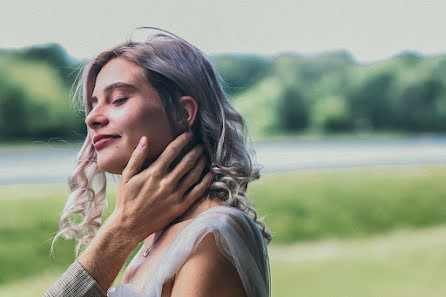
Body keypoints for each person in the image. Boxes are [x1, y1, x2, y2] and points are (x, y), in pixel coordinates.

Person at [43, 28, 271, 297]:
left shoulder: (210, 235)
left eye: (117, 99)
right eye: (93, 104)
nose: (91, 118)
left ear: (183, 113)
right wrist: (122, 227)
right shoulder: (152, 236)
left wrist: (122, 228)